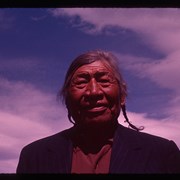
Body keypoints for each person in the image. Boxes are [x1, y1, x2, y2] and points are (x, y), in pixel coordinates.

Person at [16, 49, 180, 174]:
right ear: (67, 98)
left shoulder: (161, 153)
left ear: (122, 96)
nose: (93, 92)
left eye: (104, 81)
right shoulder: (34, 156)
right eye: (81, 83)